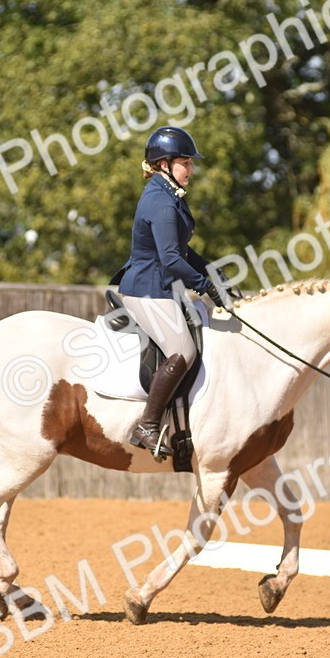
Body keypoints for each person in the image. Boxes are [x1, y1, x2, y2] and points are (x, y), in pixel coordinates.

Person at [110, 125, 231, 454]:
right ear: (164, 164)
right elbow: (172, 260)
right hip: (146, 290)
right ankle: (147, 425)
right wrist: (205, 286)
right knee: (184, 352)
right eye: (185, 162)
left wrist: (213, 273)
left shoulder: (167, 196)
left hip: (160, 287)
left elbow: (184, 251)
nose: (191, 169)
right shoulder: (162, 203)